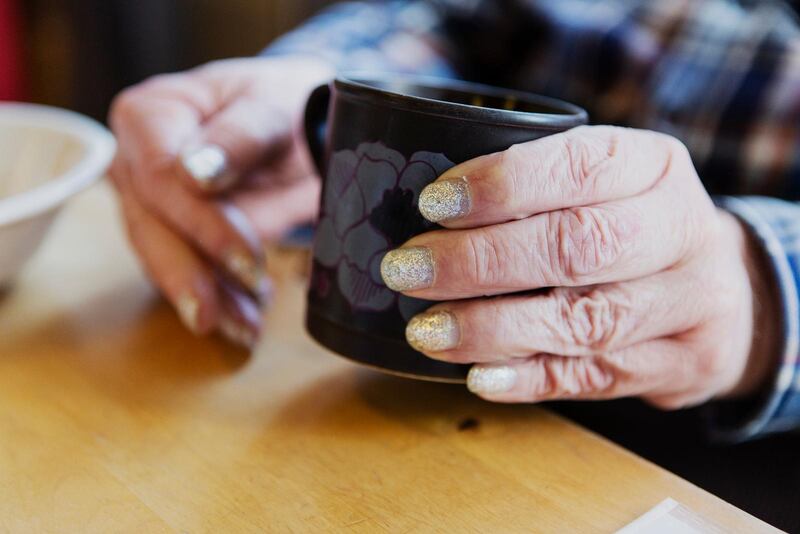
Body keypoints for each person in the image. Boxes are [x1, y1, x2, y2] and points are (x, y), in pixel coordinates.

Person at [108, 0, 800, 442]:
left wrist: (768, 284)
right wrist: (311, 82)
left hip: (677, 449)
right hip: (339, 408)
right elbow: (456, 15)